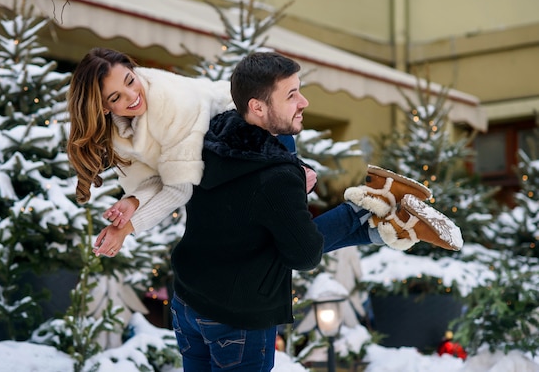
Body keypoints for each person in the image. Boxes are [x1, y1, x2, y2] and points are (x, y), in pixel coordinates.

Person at [169, 51, 462, 371]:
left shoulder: (210, 136)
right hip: (236, 318)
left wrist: (292, 168)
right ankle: (371, 209)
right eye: (291, 94)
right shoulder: (275, 177)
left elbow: (255, 204)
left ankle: (380, 224)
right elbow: (303, 255)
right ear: (257, 106)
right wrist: (300, 182)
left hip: (188, 302)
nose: (304, 102)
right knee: (297, 243)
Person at [66, 47, 234, 257]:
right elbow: (157, 179)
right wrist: (132, 201)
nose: (132, 96)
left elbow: (179, 189)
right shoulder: (119, 134)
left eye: (130, 81)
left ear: (134, 71)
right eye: (116, 97)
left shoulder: (172, 102)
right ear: (104, 108)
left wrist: (125, 229)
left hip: (257, 130)